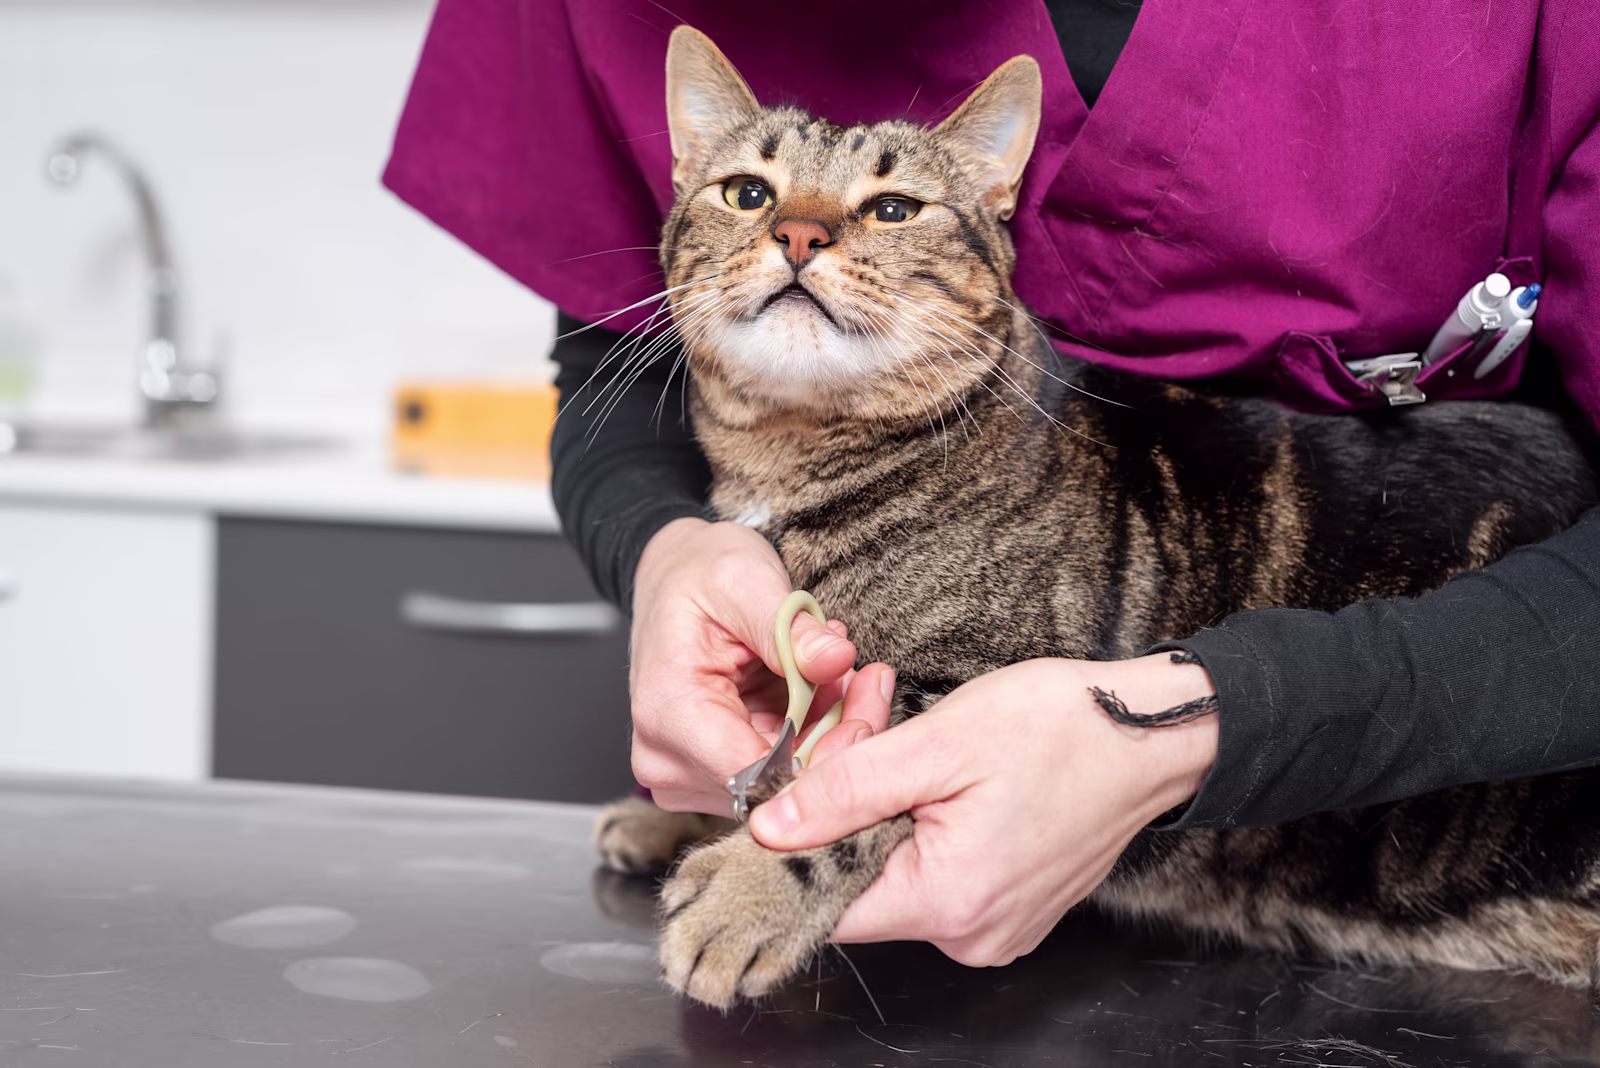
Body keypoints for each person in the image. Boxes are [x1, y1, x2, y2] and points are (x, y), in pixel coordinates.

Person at [385, 0, 1600, 969]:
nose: (801, 236)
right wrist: (659, 548)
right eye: (752, 196)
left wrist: (1189, 731)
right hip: (1071, 970)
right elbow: (616, 346)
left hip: (1500, 832)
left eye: (883, 209)